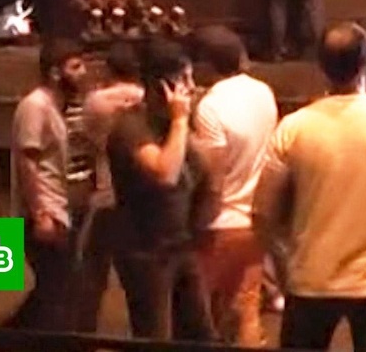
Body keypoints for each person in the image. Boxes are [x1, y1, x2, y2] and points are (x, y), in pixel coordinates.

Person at [253, 22, 366, 352]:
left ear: (321, 68)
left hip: (310, 277)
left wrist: (283, 263)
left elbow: (262, 213)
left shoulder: (293, 127)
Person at [106, 39, 215, 341]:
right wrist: (180, 120)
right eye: (184, 80)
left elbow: (205, 169)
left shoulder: (175, 126)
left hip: (182, 244)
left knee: (201, 334)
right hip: (147, 252)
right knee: (156, 335)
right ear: (162, 86)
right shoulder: (132, 127)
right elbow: (164, 173)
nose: (192, 87)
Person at [192, 26, 279, 347]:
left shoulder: (210, 107)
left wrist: (198, 222)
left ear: (204, 63)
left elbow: (213, 176)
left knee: (203, 319)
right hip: (254, 220)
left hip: (220, 223)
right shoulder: (262, 92)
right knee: (246, 314)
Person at [6, 38, 87, 332]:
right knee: (56, 290)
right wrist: (40, 213)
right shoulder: (35, 106)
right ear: (55, 72)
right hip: (43, 213)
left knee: (56, 289)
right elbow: (27, 162)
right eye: (75, 67)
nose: (83, 73)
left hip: (55, 209)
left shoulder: (52, 106)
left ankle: (3, 337)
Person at [72, 41, 146, 333]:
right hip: (138, 197)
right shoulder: (145, 97)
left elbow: (88, 139)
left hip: (104, 191)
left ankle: (84, 333)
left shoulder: (96, 101)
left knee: (91, 271)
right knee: (137, 277)